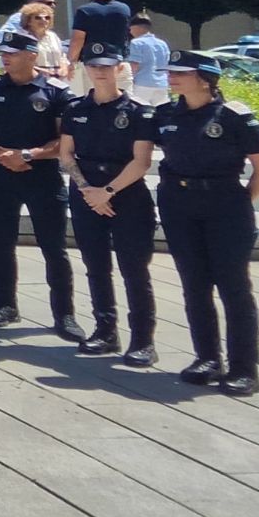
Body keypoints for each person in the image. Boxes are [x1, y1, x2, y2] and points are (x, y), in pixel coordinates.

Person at [153, 50, 259, 395]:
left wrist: (237, 204)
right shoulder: (165, 114)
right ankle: (207, 358)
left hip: (225, 206)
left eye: (180, 73)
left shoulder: (234, 116)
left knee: (233, 287)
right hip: (180, 205)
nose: (171, 78)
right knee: (194, 284)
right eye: (170, 72)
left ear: (205, 79)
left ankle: (244, 369)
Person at [0, 28, 81, 338]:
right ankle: (5, 304)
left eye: (12, 53)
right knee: (0, 243)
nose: (5, 58)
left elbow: (65, 139)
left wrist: (29, 155)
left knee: (54, 247)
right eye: (2, 53)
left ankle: (65, 314)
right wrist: (0, 154)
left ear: (32, 55)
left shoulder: (55, 91)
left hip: (42, 176)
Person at [59, 45, 158, 364]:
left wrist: (108, 191)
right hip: (86, 192)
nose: (99, 71)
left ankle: (143, 340)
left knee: (134, 269)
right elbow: (66, 154)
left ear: (119, 69)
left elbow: (141, 161)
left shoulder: (138, 111)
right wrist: (88, 190)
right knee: (96, 266)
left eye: (106, 66)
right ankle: (105, 330)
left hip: (126, 193)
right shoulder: (75, 108)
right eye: (93, 65)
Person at [18, 1, 71, 85]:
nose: (44, 20)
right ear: (28, 21)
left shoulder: (53, 36)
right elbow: (20, 63)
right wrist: (44, 72)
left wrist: (64, 68)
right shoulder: (22, 38)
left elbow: (62, 56)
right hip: (34, 82)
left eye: (47, 17)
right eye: (38, 18)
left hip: (57, 80)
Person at [127, 14, 171, 106]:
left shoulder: (136, 43)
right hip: (162, 84)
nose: (130, 31)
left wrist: (129, 82)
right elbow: (167, 64)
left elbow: (134, 65)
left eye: (130, 28)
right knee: (161, 112)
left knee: (140, 111)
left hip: (142, 84)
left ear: (136, 27)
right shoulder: (162, 44)